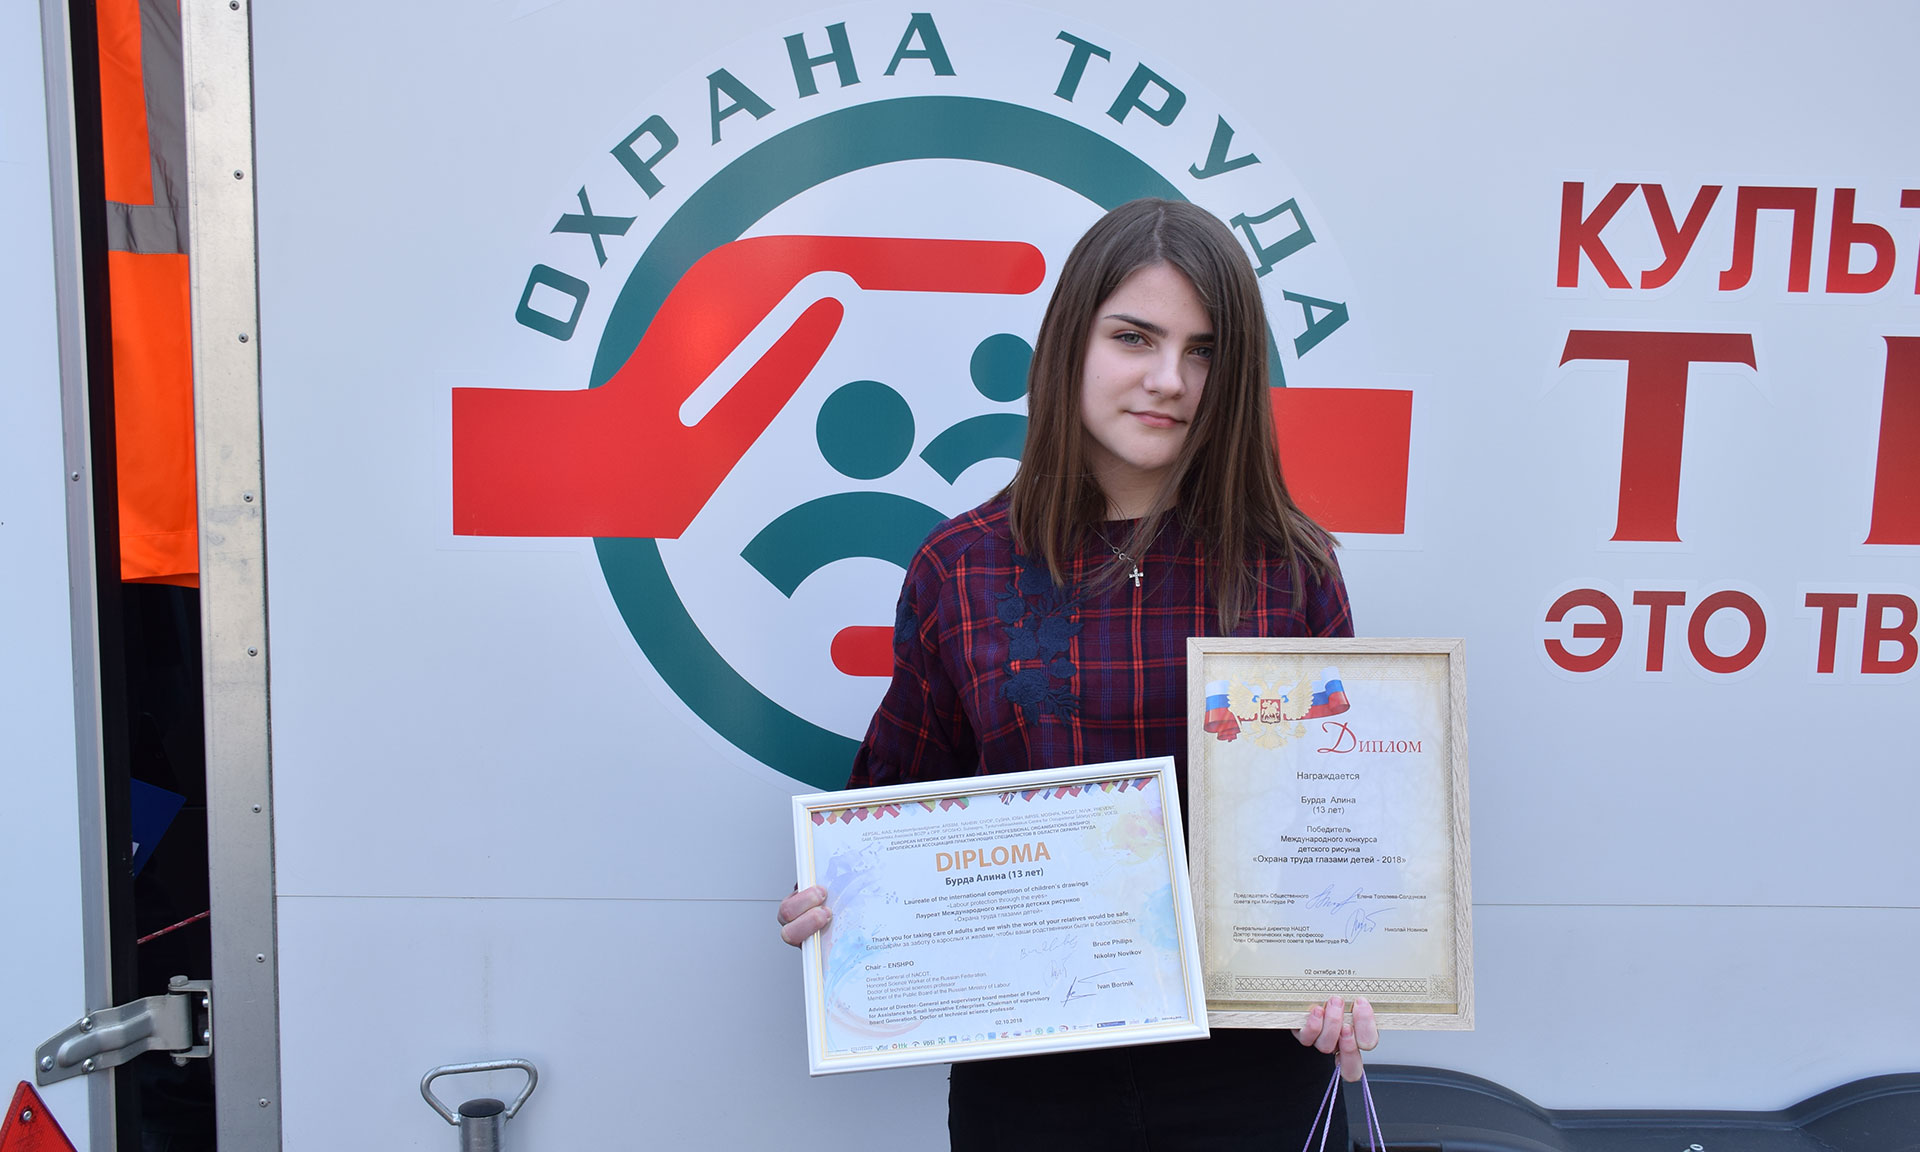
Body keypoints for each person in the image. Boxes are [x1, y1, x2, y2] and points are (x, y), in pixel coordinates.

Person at [778, 198, 1378, 1149]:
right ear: (1070, 344)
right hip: (1030, 1076)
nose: (1169, 379)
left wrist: (1358, 964)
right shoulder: (961, 567)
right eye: (1134, 337)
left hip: (1255, 1072)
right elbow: (894, 806)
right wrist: (838, 897)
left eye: (1204, 351)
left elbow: (1339, 826)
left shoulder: (1289, 568)